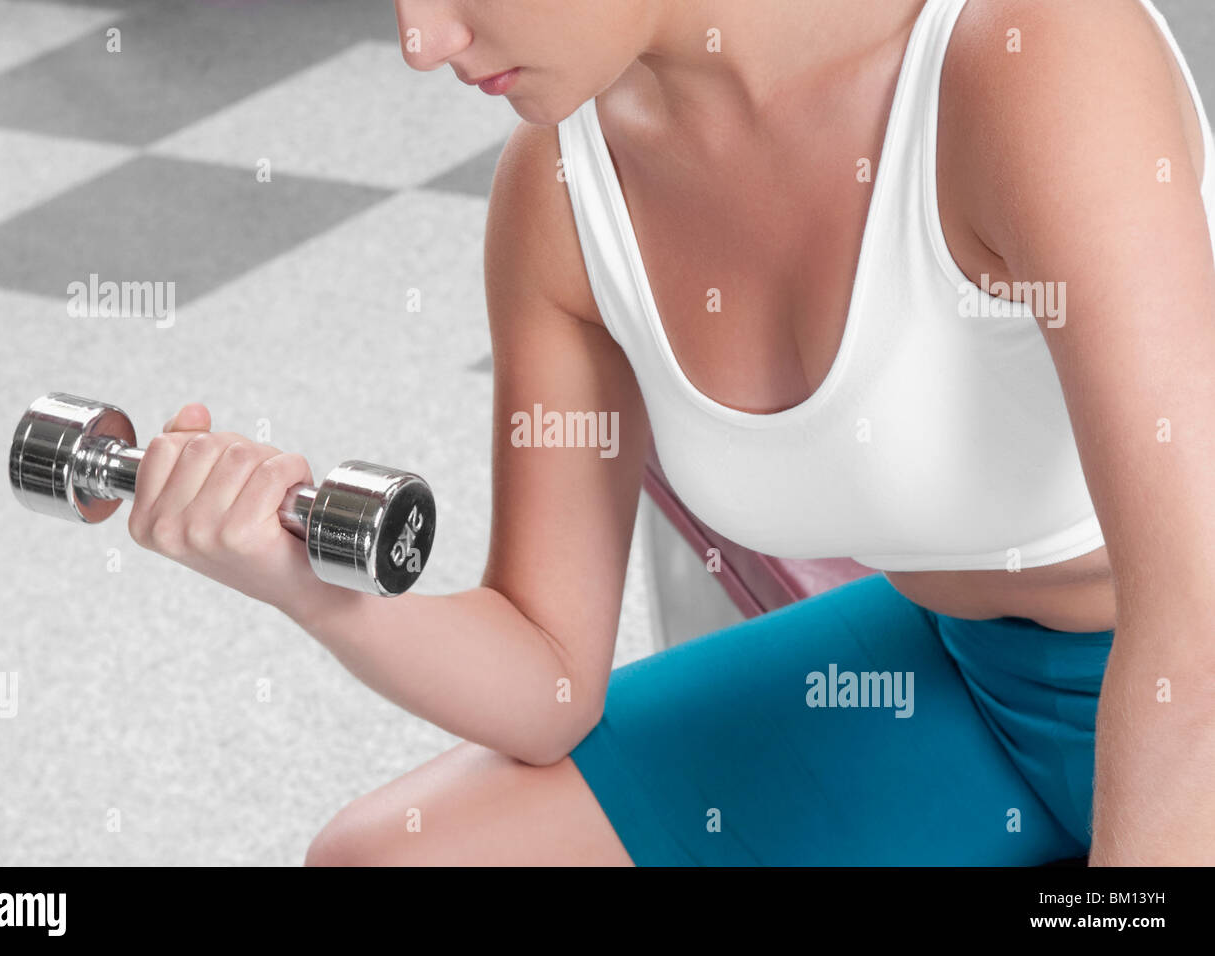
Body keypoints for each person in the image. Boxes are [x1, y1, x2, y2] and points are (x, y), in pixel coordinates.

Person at [130, 0, 1215, 865]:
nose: (422, 40)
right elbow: (546, 681)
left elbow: (1193, 626)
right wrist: (302, 575)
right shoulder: (561, 187)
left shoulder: (1032, 58)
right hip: (969, 681)